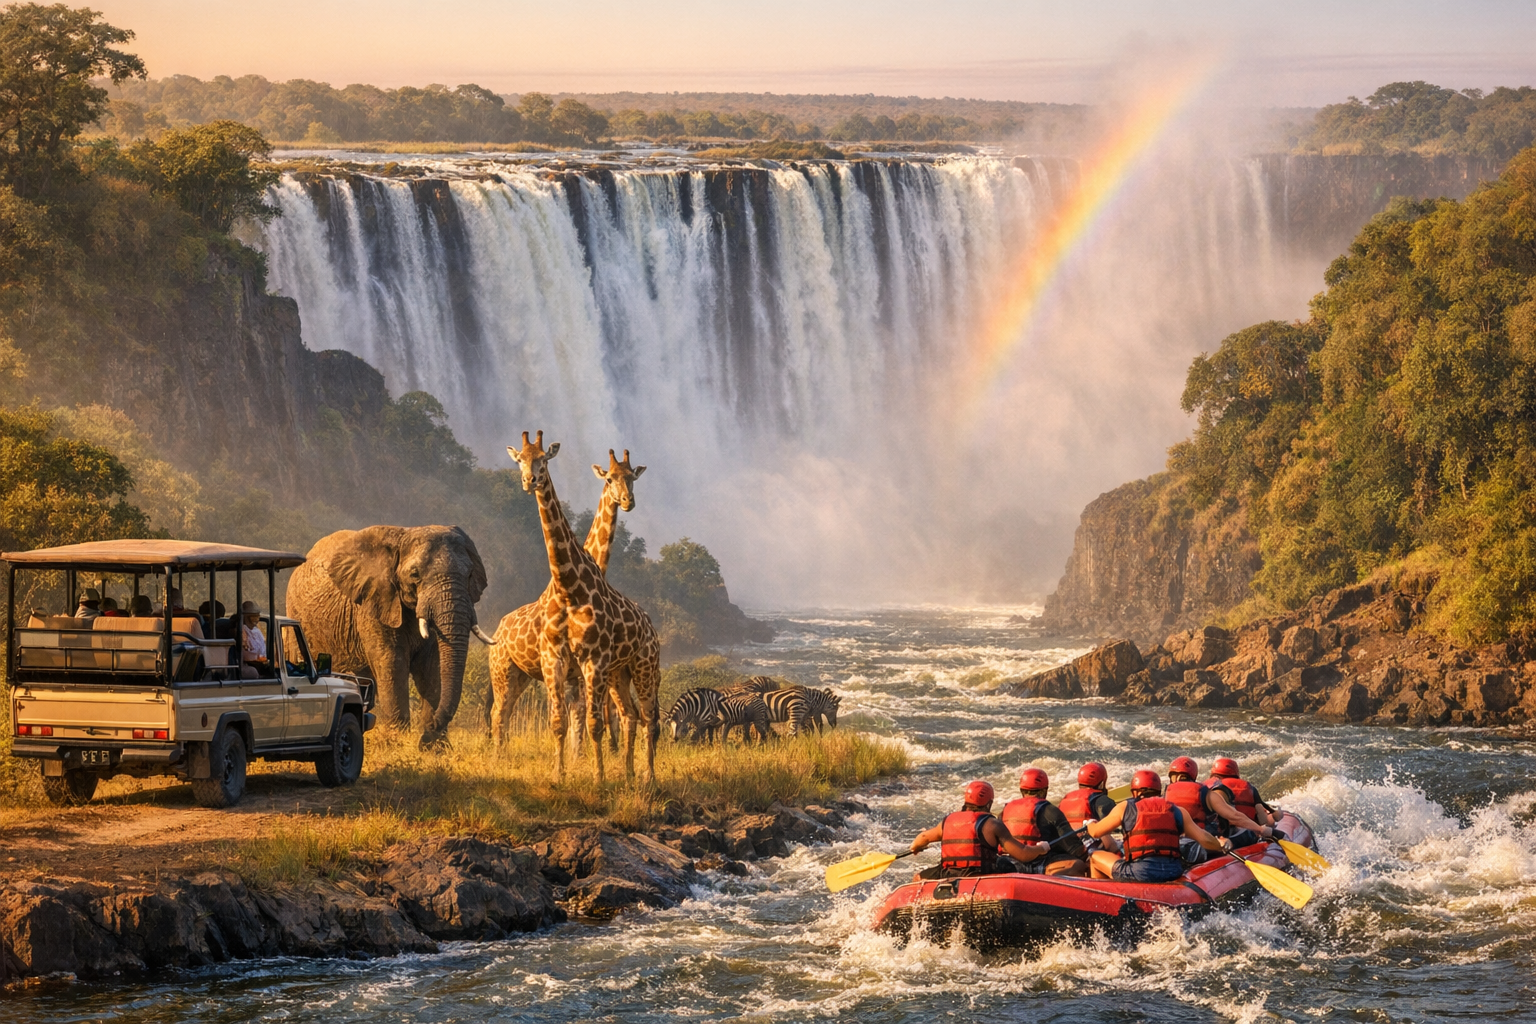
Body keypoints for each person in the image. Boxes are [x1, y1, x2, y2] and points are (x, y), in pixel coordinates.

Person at [1086, 770, 1231, 882]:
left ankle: (1102, 899)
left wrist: (1090, 823)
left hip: (1139, 873)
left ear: (1134, 792)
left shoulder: (1125, 807)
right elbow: (1205, 839)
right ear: (1160, 791)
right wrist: (1220, 845)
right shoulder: (1178, 810)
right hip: (1173, 871)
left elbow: (1096, 833)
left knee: (1095, 856)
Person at [908, 780, 1051, 880]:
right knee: (1007, 865)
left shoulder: (948, 821)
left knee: (918, 877)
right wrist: (1041, 848)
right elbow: (1023, 854)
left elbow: (923, 838)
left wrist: (916, 847)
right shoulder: (993, 824)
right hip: (979, 874)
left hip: (948, 874)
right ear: (989, 804)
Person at [1165, 756, 1278, 862]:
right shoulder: (1206, 794)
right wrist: (1260, 830)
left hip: (1172, 849)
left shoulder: (1164, 797)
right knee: (1248, 833)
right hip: (1200, 847)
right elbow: (1235, 817)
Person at [1000, 768, 1089, 876]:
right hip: (1040, 865)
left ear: (1022, 790)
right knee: (1079, 865)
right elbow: (1074, 848)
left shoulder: (1005, 810)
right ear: (1043, 791)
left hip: (1010, 864)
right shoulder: (1049, 810)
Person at [1059, 761, 1122, 859]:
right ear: (1101, 783)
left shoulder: (1065, 798)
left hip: (1067, 847)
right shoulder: (1103, 800)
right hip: (1090, 848)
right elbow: (1110, 827)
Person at [1208, 758, 1281, 840]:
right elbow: (1262, 820)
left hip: (1212, 836)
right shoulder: (1249, 787)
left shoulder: (1205, 788)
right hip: (1245, 833)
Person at [239, 601, 272, 677]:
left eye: (257, 616)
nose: (257, 619)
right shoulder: (241, 630)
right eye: (254, 616)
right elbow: (245, 651)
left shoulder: (256, 631)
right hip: (246, 664)